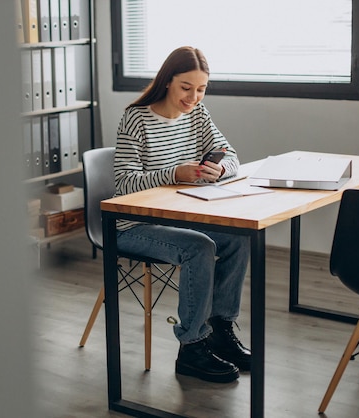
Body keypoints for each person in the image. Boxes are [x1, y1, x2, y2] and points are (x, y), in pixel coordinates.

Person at [114, 46, 251, 383]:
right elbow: (124, 183)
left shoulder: (198, 115)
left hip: (179, 218)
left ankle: (220, 330)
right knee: (199, 247)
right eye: (186, 88)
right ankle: (191, 346)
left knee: (237, 236)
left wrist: (218, 169)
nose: (194, 97)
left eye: (201, 89)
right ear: (167, 82)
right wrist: (175, 173)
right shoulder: (136, 118)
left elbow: (232, 155)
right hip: (135, 224)